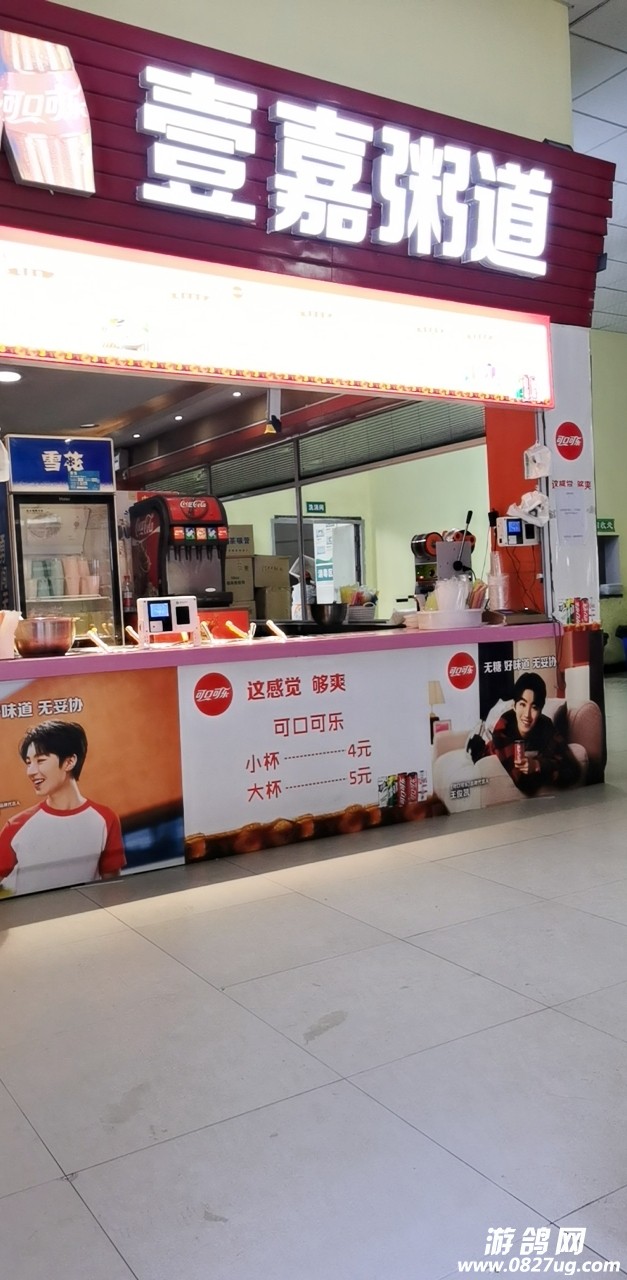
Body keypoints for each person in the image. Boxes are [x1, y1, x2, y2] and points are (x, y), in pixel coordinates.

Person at [0, 720, 126, 896]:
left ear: (69, 762)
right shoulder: (16, 826)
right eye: (28, 763)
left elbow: (112, 887)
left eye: (40, 760)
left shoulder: (105, 818)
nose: (30, 771)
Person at [470, 673, 580, 797]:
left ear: (540, 710)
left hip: (524, 746)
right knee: (477, 746)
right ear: (514, 706)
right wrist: (551, 767)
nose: (527, 715)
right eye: (522, 704)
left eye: (534, 707)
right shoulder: (503, 727)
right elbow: (524, 783)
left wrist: (537, 765)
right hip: (486, 748)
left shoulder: (545, 725)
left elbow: (573, 770)